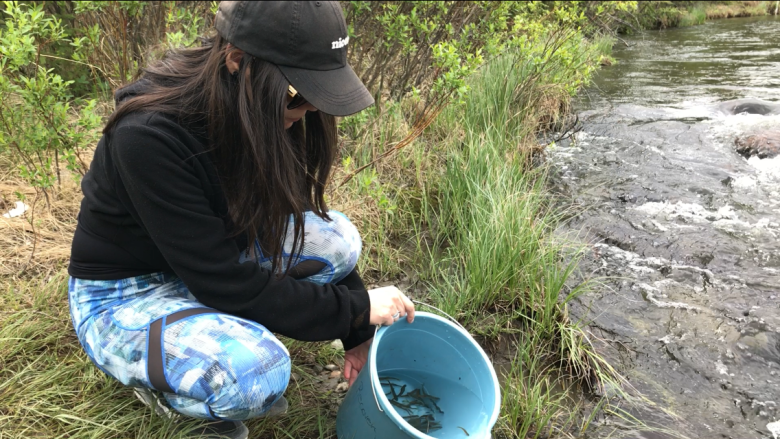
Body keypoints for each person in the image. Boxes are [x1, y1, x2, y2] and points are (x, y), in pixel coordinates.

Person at [66, 2, 415, 437]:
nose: (307, 110)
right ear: (237, 59)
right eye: (300, 94)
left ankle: (201, 337)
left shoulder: (267, 112)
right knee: (258, 373)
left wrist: (358, 330)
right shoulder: (148, 135)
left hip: (208, 259)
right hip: (125, 293)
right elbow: (223, 281)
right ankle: (170, 392)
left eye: (318, 94)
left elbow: (285, 221)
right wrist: (356, 309)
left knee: (338, 239)